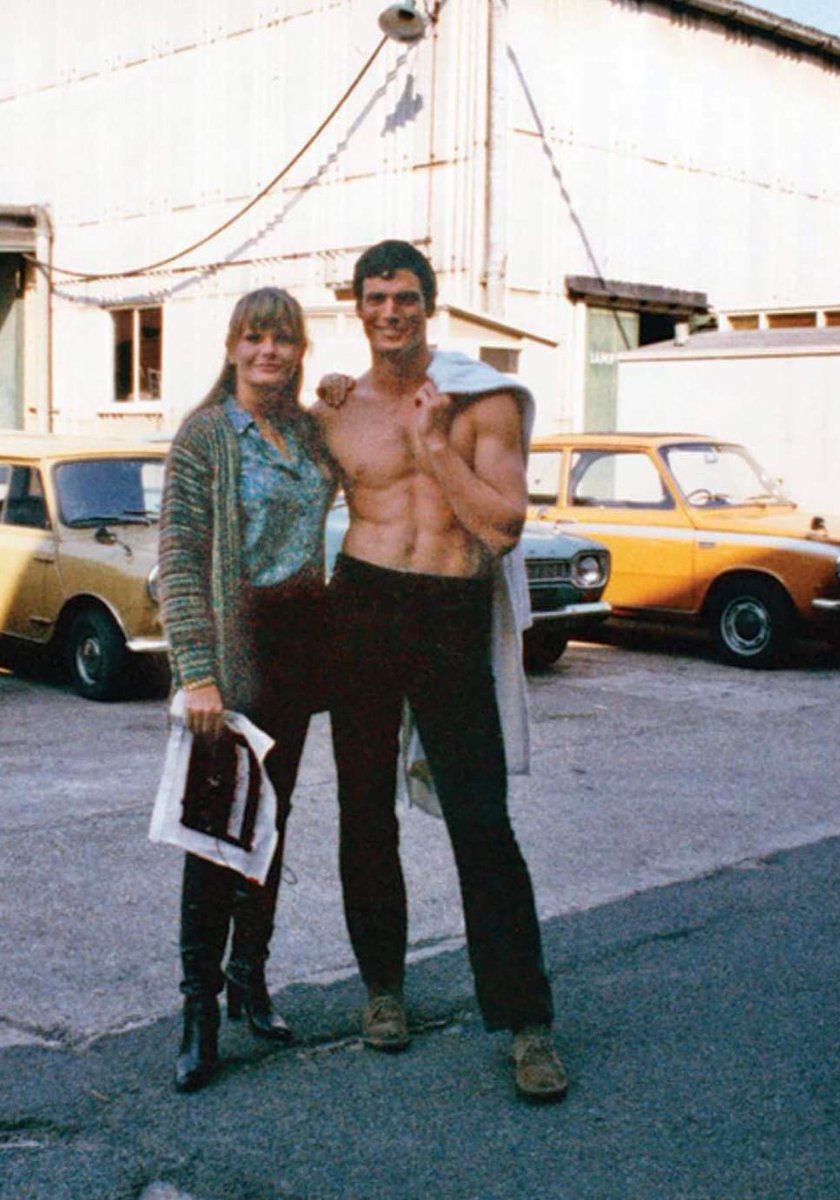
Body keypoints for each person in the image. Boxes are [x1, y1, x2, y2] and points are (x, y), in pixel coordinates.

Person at [313, 239, 568, 1103]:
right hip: (364, 601)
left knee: (480, 818)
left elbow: (500, 529)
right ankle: (383, 987)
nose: (390, 311)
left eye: (405, 297)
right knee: (361, 806)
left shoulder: (480, 400)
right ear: (358, 308)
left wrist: (430, 448)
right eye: (376, 298)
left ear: (430, 303)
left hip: (450, 611)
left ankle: (526, 1023)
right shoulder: (338, 413)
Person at [158, 286, 336, 1093]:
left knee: (271, 823)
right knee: (217, 829)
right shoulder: (204, 438)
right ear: (233, 346)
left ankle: (249, 978)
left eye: (284, 340)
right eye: (255, 338)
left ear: (300, 351)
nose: (269, 352)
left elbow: (360, 459)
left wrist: (346, 397)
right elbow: (183, 559)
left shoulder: (306, 433)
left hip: (302, 647)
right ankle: (197, 1007)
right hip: (237, 650)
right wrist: (195, 670)